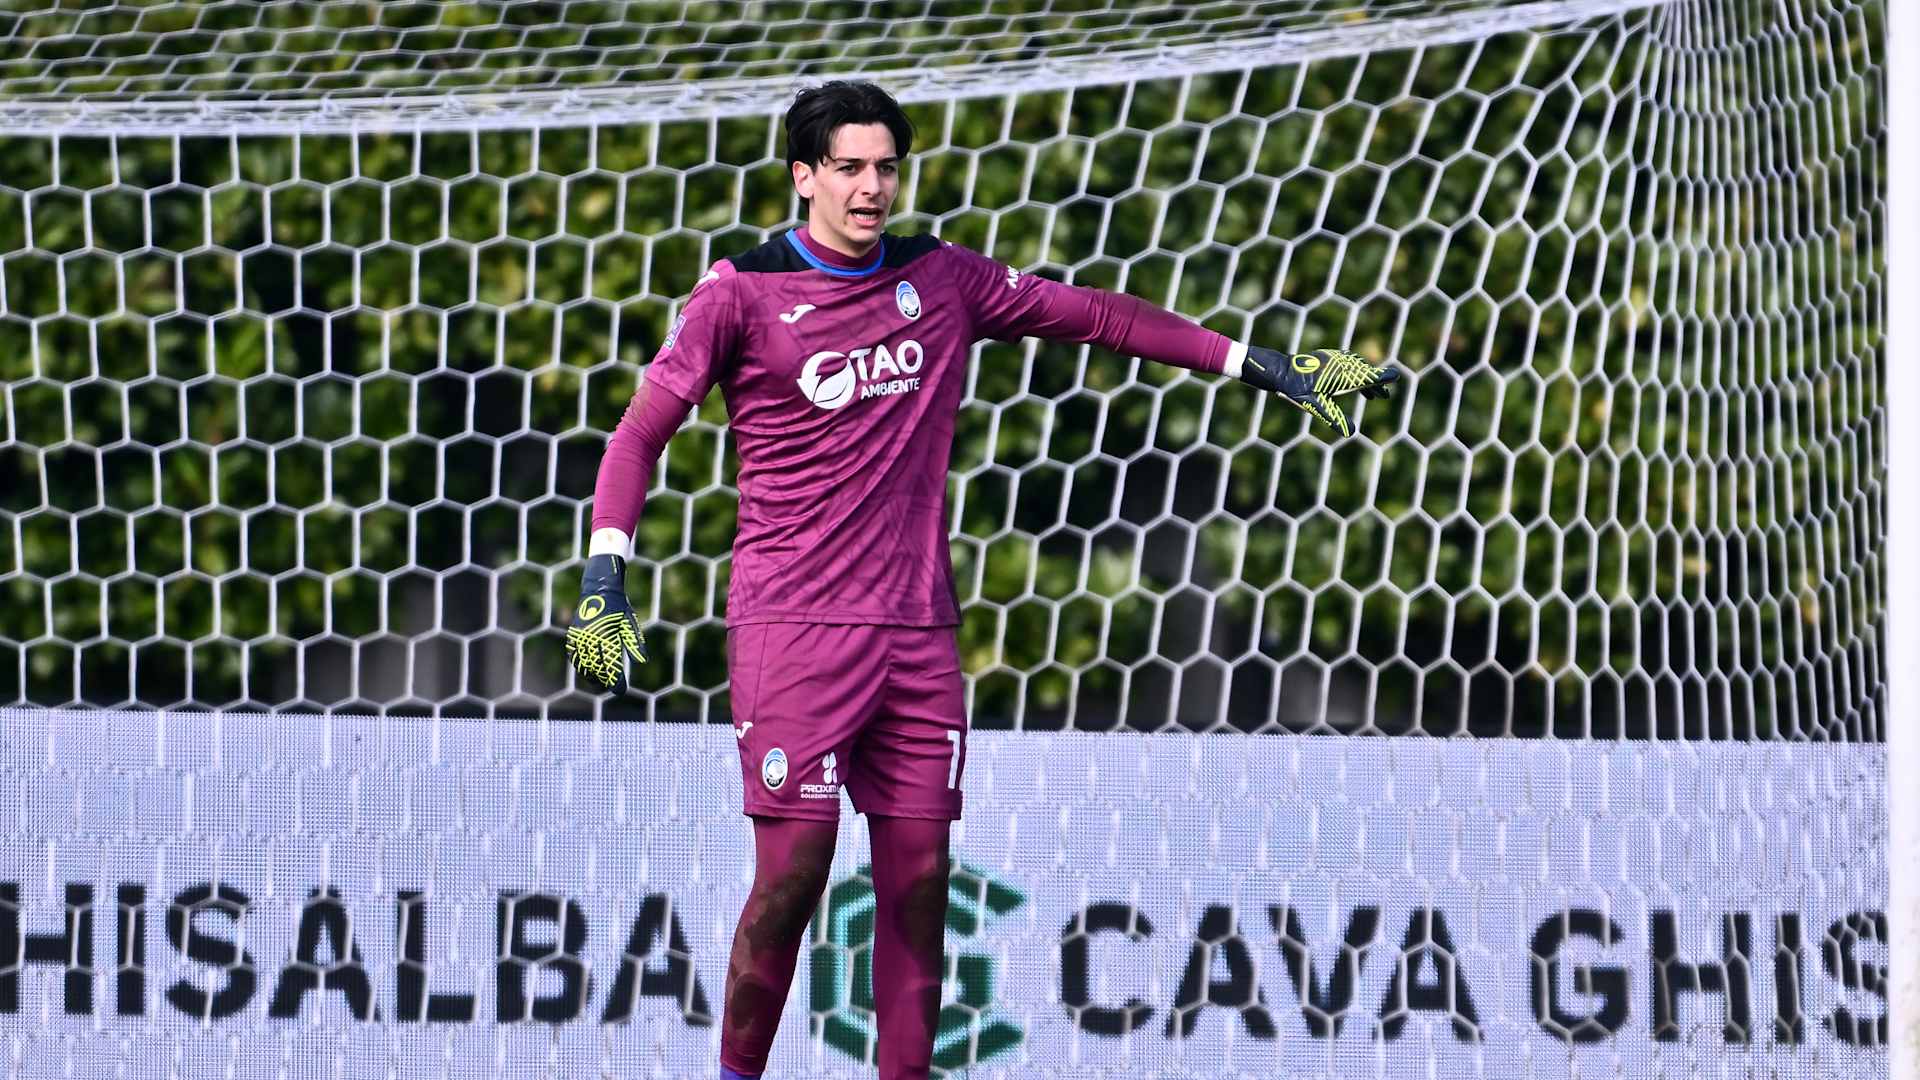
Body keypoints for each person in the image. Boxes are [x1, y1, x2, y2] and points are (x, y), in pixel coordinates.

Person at [565, 80, 1400, 1079]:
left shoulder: (943, 279)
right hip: (794, 629)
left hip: (917, 636)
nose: (872, 188)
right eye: (849, 168)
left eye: (886, 168)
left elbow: (1099, 316)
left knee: (922, 887)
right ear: (803, 177)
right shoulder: (741, 292)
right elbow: (638, 436)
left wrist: (1258, 364)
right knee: (793, 879)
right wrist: (606, 576)